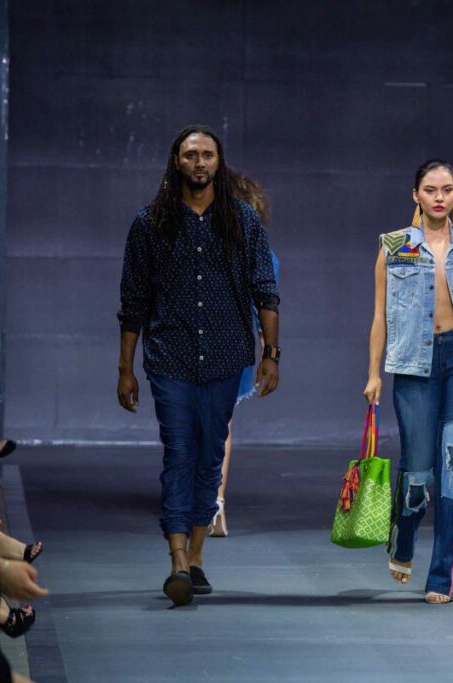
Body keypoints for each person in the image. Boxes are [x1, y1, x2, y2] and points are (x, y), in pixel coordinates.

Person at [117, 125, 280, 606]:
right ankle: (176, 561)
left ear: (218, 162)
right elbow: (133, 301)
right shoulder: (150, 224)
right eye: (191, 155)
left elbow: (265, 291)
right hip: (170, 357)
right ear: (176, 161)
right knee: (179, 453)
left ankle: (196, 556)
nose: (199, 162)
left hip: (227, 358)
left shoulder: (243, 221)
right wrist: (125, 368)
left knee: (209, 459)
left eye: (207, 154)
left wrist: (271, 354)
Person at [363, 159, 453, 604]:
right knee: (417, 473)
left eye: (447, 189)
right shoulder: (394, 246)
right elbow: (380, 315)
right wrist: (373, 372)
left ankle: (443, 576)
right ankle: (404, 538)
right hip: (414, 363)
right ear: (416, 195)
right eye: (430, 190)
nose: (439, 197)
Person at [210, 169, 278, 538]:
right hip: (235, 346)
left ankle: (197, 500)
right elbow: (265, 308)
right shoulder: (262, 254)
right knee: (221, 425)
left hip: (197, 344)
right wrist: (269, 354)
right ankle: (215, 504)